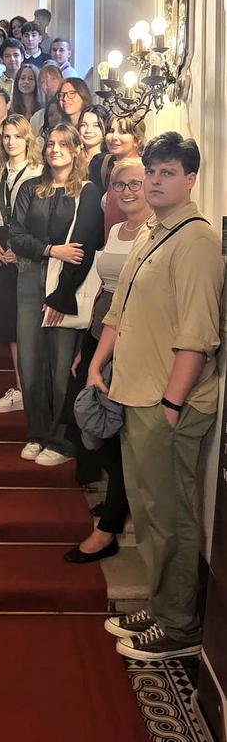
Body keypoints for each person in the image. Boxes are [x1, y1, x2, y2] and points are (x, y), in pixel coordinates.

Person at [88, 132, 224, 661]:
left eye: (168, 172)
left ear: (191, 179)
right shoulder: (152, 230)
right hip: (136, 392)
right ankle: (161, 604)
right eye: (152, 171)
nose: (155, 181)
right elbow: (119, 308)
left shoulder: (197, 241)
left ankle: (179, 626)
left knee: (170, 517)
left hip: (166, 402)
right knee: (149, 512)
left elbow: (199, 335)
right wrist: (98, 363)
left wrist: (171, 405)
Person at [63, 159, 150, 562]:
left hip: (131, 343)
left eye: (135, 183)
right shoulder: (116, 230)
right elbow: (104, 292)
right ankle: (120, 497)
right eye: (119, 184)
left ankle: (109, 528)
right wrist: (87, 349)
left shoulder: (156, 232)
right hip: (101, 333)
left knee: (115, 433)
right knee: (88, 421)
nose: (127, 191)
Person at [10, 123, 103, 465]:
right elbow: (15, 236)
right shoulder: (30, 187)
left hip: (67, 283)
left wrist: (64, 284)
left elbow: (84, 245)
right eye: (50, 143)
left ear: (76, 150)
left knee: (62, 363)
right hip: (29, 280)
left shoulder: (87, 191)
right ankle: (36, 433)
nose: (55, 149)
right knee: (31, 362)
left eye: (63, 144)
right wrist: (50, 250)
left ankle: (61, 439)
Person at [0, 116, 42, 412]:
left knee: (29, 324)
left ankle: (35, 390)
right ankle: (20, 390)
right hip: (2, 253)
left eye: (17, 136)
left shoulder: (39, 173)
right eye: (6, 136)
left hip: (29, 253)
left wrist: (19, 250)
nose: (11, 142)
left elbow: (41, 222)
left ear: (27, 139)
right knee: (11, 325)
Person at [103, 114, 146, 237]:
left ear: (136, 140)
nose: (114, 137)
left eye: (122, 132)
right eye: (111, 131)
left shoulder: (141, 171)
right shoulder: (110, 167)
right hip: (113, 241)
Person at [77, 104, 108, 191]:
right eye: (83, 125)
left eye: (96, 125)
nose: (88, 130)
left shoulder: (108, 160)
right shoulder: (72, 157)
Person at [30, 62, 64, 136]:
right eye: (43, 81)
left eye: (53, 79)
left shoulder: (69, 109)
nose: (48, 84)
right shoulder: (37, 117)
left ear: (61, 80)